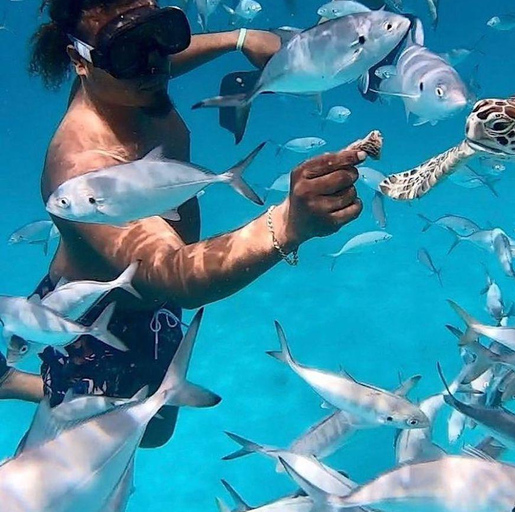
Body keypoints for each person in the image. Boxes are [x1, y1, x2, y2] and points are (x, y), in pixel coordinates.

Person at [23, 0, 365, 447]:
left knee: (162, 416)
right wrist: (288, 223)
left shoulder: (120, 79)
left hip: (150, 287)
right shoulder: (86, 172)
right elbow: (175, 273)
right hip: (101, 311)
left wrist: (236, 39)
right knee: (142, 434)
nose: (155, 66)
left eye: (159, 37)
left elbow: (149, 58)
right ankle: (22, 385)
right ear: (79, 62)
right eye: (130, 52)